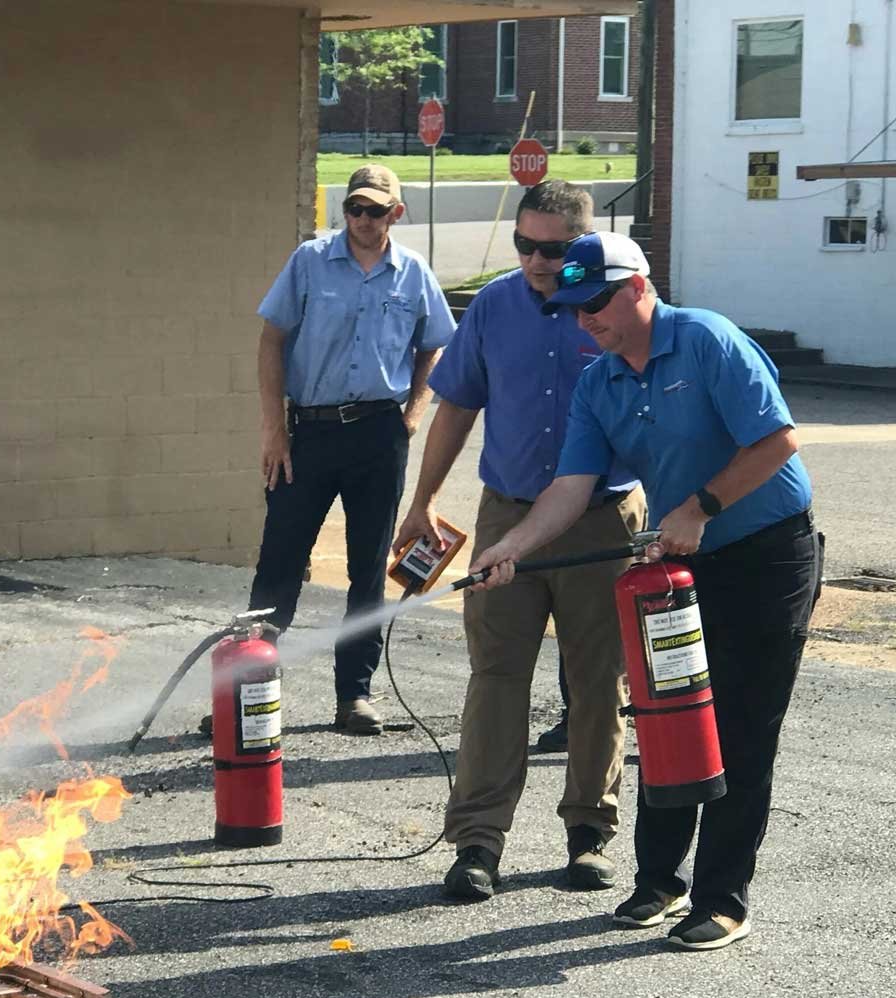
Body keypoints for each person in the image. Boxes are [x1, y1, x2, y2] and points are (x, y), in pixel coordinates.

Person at [469, 231, 821, 950]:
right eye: (570, 308)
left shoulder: (708, 341)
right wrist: (510, 546)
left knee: (741, 727)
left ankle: (723, 898)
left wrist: (697, 508)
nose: (582, 319)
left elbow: (778, 440)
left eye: (594, 302)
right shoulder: (599, 383)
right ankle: (659, 880)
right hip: (682, 567)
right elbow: (570, 489)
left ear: (637, 286)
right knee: (666, 719)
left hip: (766, 557)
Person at [392, 181, 646, 899]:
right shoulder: (496, 305)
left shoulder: (613, 310)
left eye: (554, 250)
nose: (536, 261)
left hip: (602, 518)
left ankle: (588, 836)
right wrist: (424, 500)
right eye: (525, 245)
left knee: (599, 681)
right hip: (509, 516)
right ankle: (476, 842)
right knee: (497, 678)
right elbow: (457, 406)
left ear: (584, 245)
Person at [248, 164, 455, 736]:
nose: (363, 220)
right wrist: (273, 429)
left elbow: (433, 347)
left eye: (376, 210)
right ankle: (247, 692)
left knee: (368, 571)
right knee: (279, 561)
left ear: (397, 213)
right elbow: (271, 340)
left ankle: (355, 696)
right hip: (307, 433)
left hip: (377, 434)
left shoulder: (413, 273)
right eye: (355, 209)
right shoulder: (309, 261)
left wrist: (412, 416)